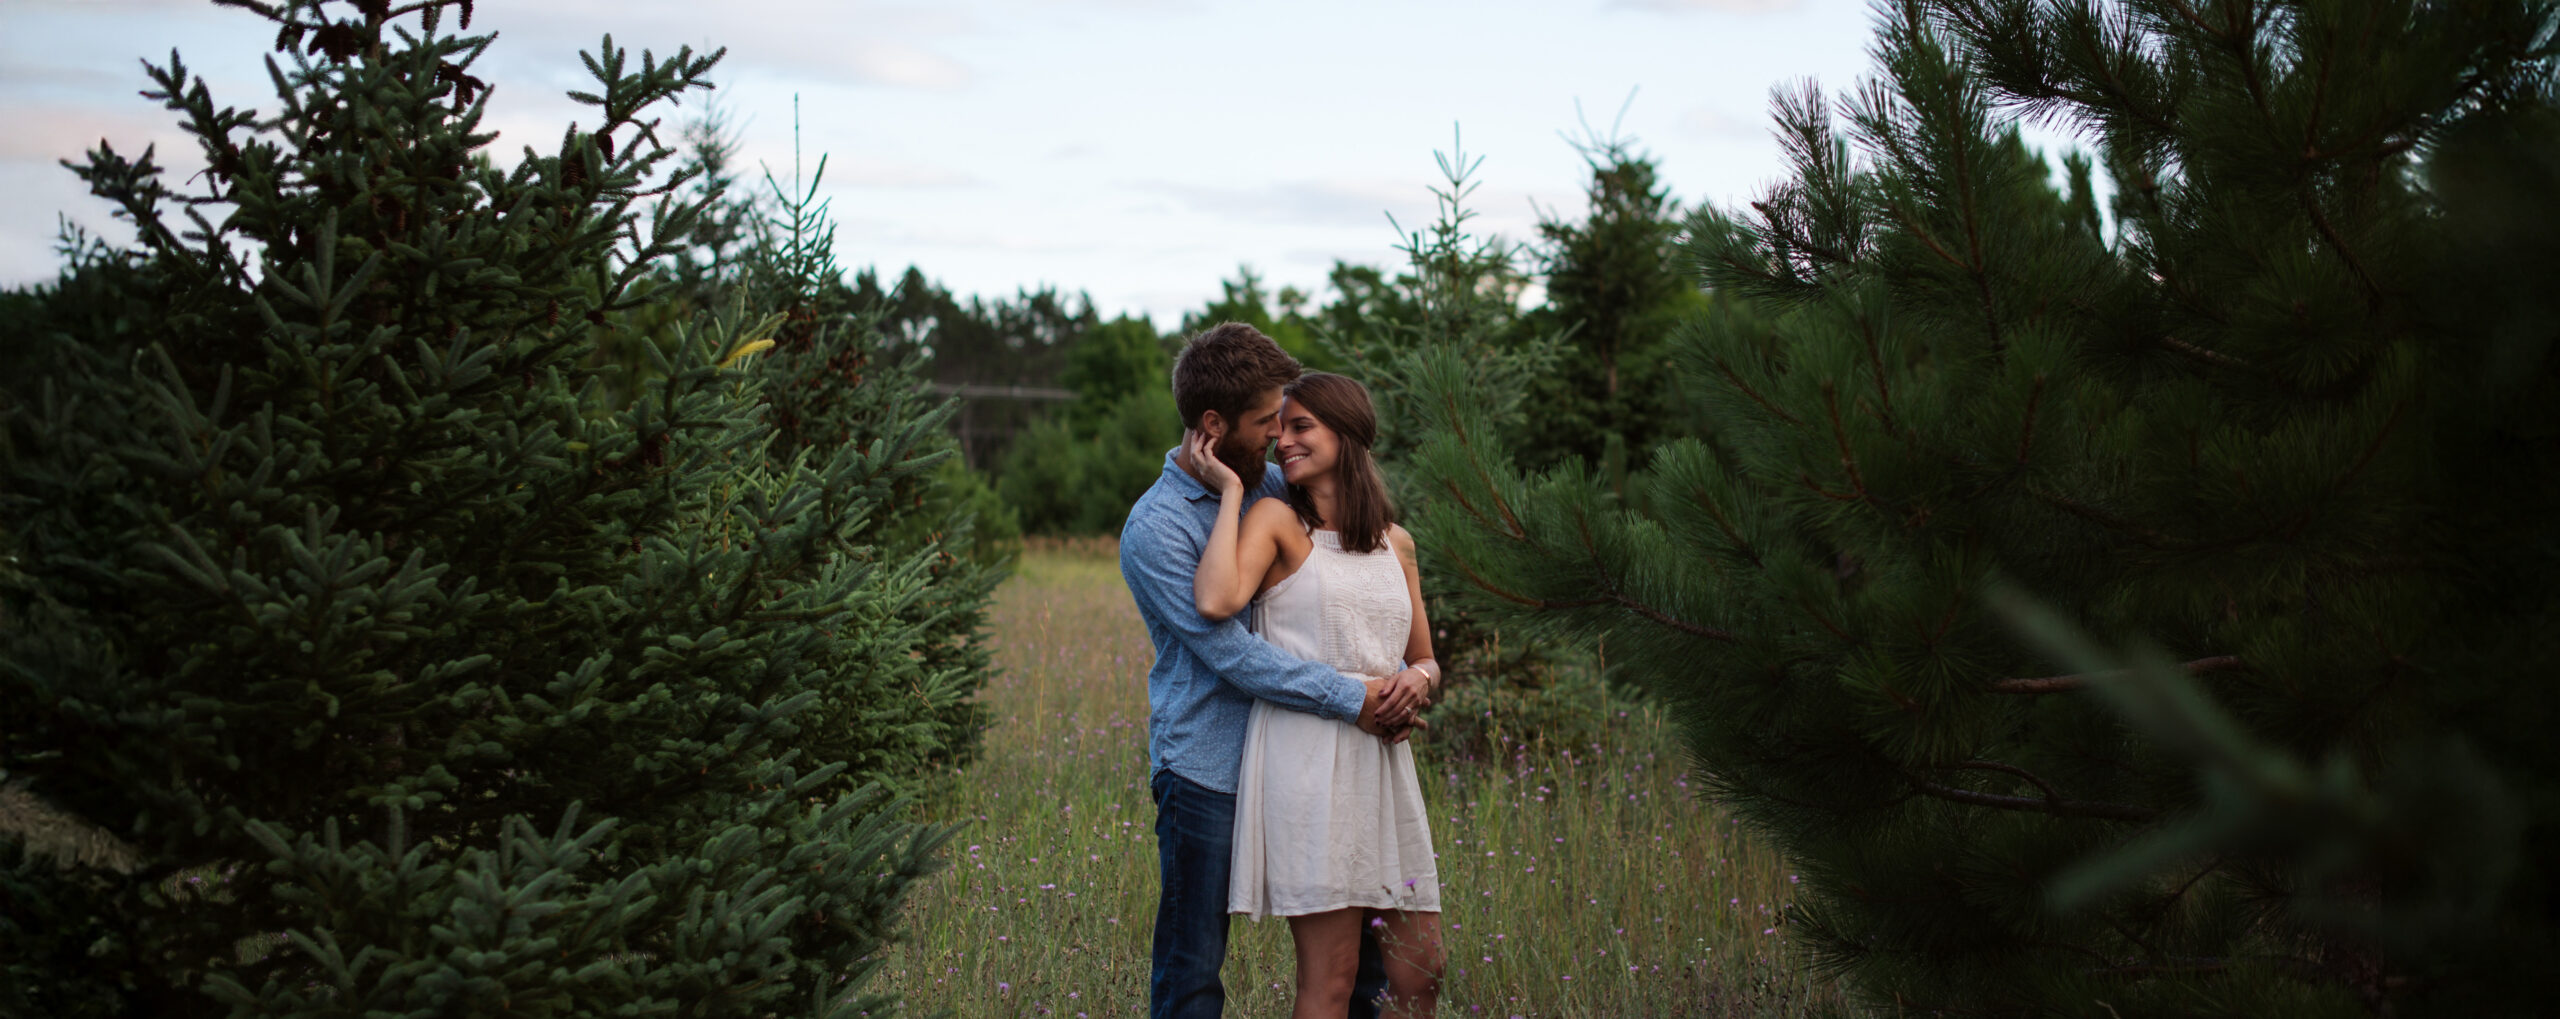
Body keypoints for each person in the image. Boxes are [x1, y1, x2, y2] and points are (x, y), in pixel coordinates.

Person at [1120, 323, 1425, 1019]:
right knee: (1193, 966)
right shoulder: (1157, 528)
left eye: (1287, 421)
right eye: (1265, 423)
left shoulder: (1282, 488)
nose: (1277, 437)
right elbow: (1232, 651)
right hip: (1208, 769)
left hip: (1306, 763)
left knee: (1360, 962)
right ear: (1212, 426)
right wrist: (1356, 697)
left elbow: (1349, 583)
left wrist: (1410, 673)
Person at [1187, 370, 1445, 1018]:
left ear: (1347, 432)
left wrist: (1418, 680)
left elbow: (1424, 657)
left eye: (1301, 426)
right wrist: (1230, 492)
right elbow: (1216, 599)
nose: (1283, 441)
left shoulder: (1398, 542)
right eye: (1280, 429)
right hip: (1308, 760)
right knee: (1332, 979)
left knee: (1421, 969)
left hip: (1385, 764)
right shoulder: (1277, 520)